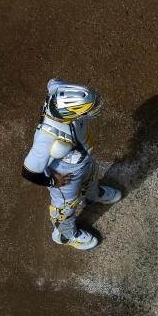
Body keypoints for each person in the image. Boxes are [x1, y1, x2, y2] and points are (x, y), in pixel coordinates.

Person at [21, 79, 122, 250]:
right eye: (89, 108)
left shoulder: (58, 91)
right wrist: (53, 181)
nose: (95, 107)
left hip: (82, 160)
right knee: (65, 207)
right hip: (66, 175)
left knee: (91, 176)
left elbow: (52, 81)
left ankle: (92, 195)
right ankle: (64, 235)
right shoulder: (48, 137)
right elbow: (28, 172)